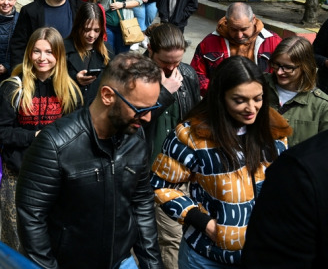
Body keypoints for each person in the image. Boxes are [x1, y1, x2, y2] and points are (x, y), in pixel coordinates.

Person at [16, 52, 164, 269]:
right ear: (107, 95)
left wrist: (152, 265)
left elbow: (141, 204)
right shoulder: (54, 144)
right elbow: (31, 218)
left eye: (152, 108)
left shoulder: (135, 136)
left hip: (122, 262)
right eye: (140, 109)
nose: (148, 117)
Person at [151, 56, 291, 268]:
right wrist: (203, 222)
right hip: (206, 256)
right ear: (220, 97)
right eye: (240, 100)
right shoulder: (192, 135)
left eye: (258, 98)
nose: (251, 108)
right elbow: (161, 186)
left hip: (262, 253)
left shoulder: (274, 131)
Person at [0, 27, 82, 252]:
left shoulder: (70, 90)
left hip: (53, 176)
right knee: (15, 238)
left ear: (58, 54)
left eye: (49, 52)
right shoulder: (13, 88)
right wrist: (34, 136)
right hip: (16, 173)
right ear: (29, 53)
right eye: (37, 51)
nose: (42, 58)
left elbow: (78, 133)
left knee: (47, 238)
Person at [142, 23, 200, 268]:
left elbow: (194, 121)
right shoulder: (135, 75)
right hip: (141, 172)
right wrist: (164, 93)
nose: (171, 68)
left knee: (172, 238)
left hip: (175, 177)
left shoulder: (187, 75)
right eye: (165, 62)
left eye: (177, 62)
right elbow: (131, 122)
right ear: (150, 50)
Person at [241, 131, 328, 268]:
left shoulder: (279, 137)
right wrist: (204, 222)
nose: (250, 109)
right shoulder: (298, 169)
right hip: (212, 250)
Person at [191, 3, 281, 96]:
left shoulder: (273, 41)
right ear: (226, 22)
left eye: (244, 29)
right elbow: (196, 75)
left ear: (253, 20)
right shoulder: (209, 42)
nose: (239, 35)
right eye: (233, 29)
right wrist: (219, 94)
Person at [262, 36, 328, 146]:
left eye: (288, 68)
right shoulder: (257, 86)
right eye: (277, 64)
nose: (279, 72)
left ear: (305, 67)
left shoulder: (321, 106)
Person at [10, 0, 77, 68]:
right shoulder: (30, 11)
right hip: (39, 71)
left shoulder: (80, 8)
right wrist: (19, 75)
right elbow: (18, 47)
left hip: (70, 72)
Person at [65, 2, 112, 106]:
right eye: (87, 29)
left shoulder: (107, 50)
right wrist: (74, 78)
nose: (91, 35)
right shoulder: (64, 48)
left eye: (96, 30)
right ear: (78, 26)